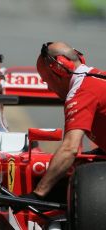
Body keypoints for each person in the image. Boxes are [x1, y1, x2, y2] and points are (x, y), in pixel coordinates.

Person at [22, 41, 106, 201]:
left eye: (47, 81)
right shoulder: (98, 78)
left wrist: (37, 193)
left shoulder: (82, 92)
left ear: (58, 69)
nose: (48, 88)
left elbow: (70, 149)